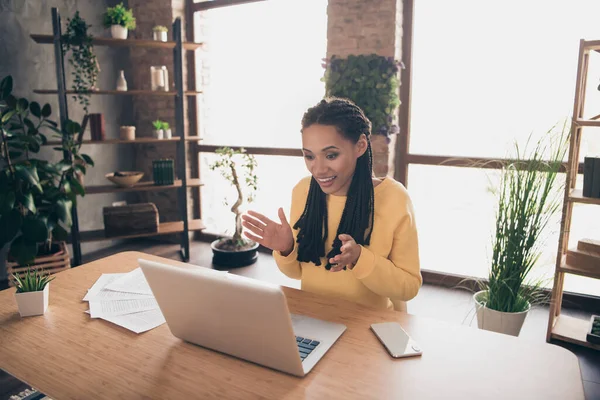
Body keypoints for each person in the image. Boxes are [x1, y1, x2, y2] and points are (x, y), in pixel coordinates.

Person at [241, 97, 422, 311]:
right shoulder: (303, 191)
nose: (318, 169)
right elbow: (298, 273)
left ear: (360, 146)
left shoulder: (394, 198)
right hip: (314, 318)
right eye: (309, 156)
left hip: (369, 325)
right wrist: (286, 248)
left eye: (331, 155)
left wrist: (360, 258)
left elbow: (409, 287)